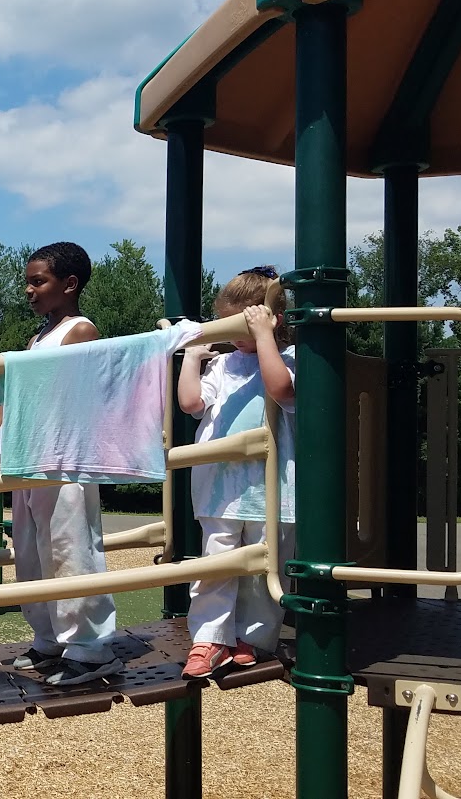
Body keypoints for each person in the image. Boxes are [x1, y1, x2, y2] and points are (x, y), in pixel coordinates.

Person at [3, 242, 123, 686]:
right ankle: (49, 638)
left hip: (64, 460)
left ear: (69, 284)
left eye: (39, 282)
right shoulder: (39, 337)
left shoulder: (80, 331)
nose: (29, 291)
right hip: (31, 456)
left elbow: (82, 399)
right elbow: (25, 395)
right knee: (33, 551)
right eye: (28, 282)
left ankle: (90, 648)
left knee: (71, 548)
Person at [177, 266, 297, 678]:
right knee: (217, 564)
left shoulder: (293, 357)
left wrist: (265, 337)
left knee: (267, 567)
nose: (228, 335)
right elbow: (192, 404)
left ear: (269, 319)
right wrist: (192, 357)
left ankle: (255, 637)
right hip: (220, 486)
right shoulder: (224, 365)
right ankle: (209, 638)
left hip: (273, 486)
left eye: (237, 324)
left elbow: (282, 391)